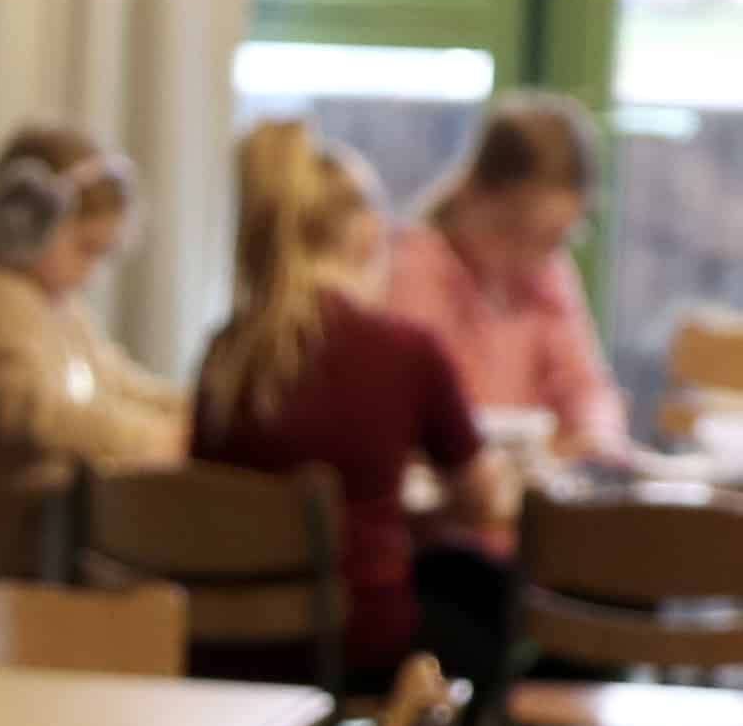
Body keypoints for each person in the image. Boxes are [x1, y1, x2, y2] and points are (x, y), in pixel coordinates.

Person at [197, 118, 506, 693]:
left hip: (221, 643)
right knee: (490, 605)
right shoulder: (404, 351)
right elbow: (483, 501)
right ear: (366, 237)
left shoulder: (226, 353)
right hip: (352, 640)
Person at [382, 89, 634, 659]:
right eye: (517, 232)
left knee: (626, 597)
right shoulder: (414, 268)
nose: (530, 256)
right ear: (478, 194)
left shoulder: (548, 273)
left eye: (551, 241)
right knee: (475, 607)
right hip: (444, 536)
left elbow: (586, 385)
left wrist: (595, 438)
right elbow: (424, 421)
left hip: (533, 535)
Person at [0, 122, 184, 575]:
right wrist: (156, 439)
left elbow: (116, 380)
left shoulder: (52, 304)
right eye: (84, 248)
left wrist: (199, 412)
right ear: (22, 220)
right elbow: (33, 412)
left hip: (41, 539)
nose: (90, 272)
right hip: (8, 548)